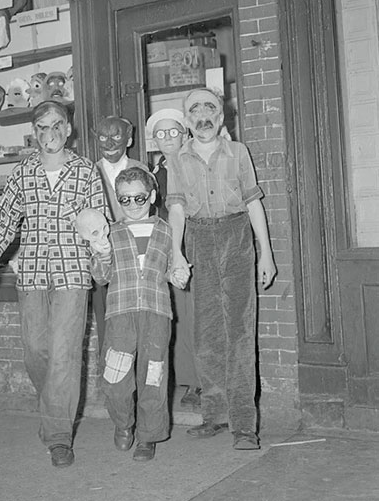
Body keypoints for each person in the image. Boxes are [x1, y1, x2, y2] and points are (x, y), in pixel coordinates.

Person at [0, 100, 108, 468]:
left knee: (64, 354)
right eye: (43, 127)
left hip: (73, 273)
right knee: (36, 351)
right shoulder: (22, 173)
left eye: (58, 125)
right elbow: (5, 224)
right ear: (34, 133)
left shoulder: (86, 171)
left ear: (69, 129)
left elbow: (99, 223)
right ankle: (54, 409)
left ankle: (59, 437)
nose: (51, 134)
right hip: (30, 273)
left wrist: (102, 259)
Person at [167, 87, 277, 451]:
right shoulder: (178, 160)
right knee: (206, 332)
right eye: (195, 110)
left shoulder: (238, 152)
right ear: (187, 120)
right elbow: (178, 209)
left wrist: (266, 255)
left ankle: (244, 426)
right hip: (199, 239)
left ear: (221, 116)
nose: (203, 116)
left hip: (236, 238)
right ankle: (214, 415)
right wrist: (177, 254)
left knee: (240, 332)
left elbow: (253, 204)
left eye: (209, 109)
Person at [90, 166, 179, 462]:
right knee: (115, 378)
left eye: (138, 198)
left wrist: (178, 274)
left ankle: (148, 436)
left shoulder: (168, 232)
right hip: (120, 313)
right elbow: (100, 277)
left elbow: (174, 270)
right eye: (124, 200)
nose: (132, 205)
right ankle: (123, 422)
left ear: (152, 196)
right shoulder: (110, 233)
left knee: (153, 377)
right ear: (118, 200)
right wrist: (100, 254)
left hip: (156, 313)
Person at [145, 108, 201, 409]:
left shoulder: (193, 164)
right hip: (168, 248)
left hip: (193, 245)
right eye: (160, 133)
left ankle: (201, 381)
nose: (167, 138)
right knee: (178, 314)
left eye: (173, 131)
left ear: (185, 133)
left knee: (197, 315)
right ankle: (188, 378)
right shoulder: (156, 171)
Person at [91, 115, 149, 353]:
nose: (110, 143)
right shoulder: (88, 172)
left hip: (136, 258)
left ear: (129, 138)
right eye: (103, 137)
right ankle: (113, 382)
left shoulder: (141, 170)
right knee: (108, 323)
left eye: (117, 136)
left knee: (140, 321)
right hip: (103, 259)